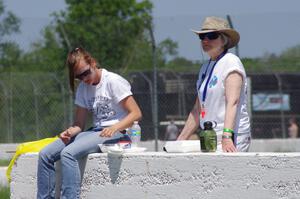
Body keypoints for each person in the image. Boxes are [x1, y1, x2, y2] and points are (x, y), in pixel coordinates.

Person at [37, 47, 142, 199]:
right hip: (95, 132)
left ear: (93, 63)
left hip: (118, 133)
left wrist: (115, 127)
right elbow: (79, 124)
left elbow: (136, 113)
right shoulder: (83, 89)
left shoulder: (113, 81)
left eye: (85, 73)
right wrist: (70, 132)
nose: (84, 79)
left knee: (68, 154)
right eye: (79, 77)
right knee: (45, 154)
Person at [177, 16, 251, 152]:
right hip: (210, 135)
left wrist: (227, 135)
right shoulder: (205, 67)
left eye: (212, 35)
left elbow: (232, 102)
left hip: (230, 135)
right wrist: (181, 139)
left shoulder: (231, 62)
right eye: (202, 36)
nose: (206, 40)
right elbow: (197, 109)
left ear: (224, 40)